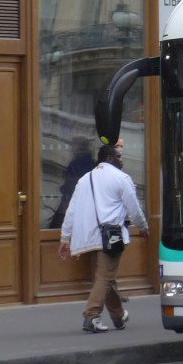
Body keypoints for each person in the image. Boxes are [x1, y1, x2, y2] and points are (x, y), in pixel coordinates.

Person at [58, 143, 148, 333]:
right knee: (104, 278)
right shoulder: (121, 178)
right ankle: (91, 316)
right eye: (118, 157)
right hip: (110, 236)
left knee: (107, 278)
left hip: (88, 237)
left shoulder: (84, 179)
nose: (120, 161)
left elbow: (71, 211)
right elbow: (134, 207)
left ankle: (118, 316)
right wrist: (143, 227)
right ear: (109, 158)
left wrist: (65, 238)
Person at [48, 136, 94, 229]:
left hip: (73, 199)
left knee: (60, 222)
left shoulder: (79, 162)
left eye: (73, 145)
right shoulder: (86, 161)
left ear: (80, 147)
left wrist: (65, 187)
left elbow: (77, 181)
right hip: (76, 199)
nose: (71, 147)